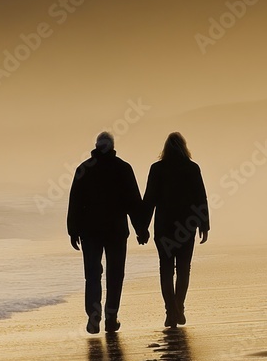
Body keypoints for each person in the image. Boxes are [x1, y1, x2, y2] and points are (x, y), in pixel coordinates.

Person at [67, 131, 149, 334]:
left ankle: (93, 317)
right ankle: (111, 318)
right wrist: (141, 229)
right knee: (115, 275)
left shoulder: (84, 169)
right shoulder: (122, 168)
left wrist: (73, 230)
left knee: (93, 275)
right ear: (112, 147)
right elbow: (133, 202)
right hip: (116, 231)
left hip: (90, 232)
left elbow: (75, 202)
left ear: (96, 146)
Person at [141, 132, 209, 327]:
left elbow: (149, 199)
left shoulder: (157, 169)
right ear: (184, 147)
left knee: (166, 269)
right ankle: (179, 307)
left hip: (164, 227)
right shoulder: (192, 168)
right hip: (187, 227)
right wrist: (204, 225)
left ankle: (171, 311)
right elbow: (200, 198)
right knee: (183, 269)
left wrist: (142, 227)